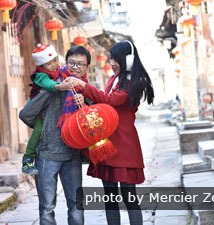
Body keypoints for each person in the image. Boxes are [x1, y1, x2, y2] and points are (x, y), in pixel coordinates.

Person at [63, 40, 154, 225]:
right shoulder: (114, 79)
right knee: (110, 199)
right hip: (107, 143)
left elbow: (110, 100)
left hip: (125, 146)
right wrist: (87, 102)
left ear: (127, 60)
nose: (111, 63)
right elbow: (104, 107)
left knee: (130, 198)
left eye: (116, 59)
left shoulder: (133, 83)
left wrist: (83, 86)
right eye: (111, 59)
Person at [19, 45, 91, 225]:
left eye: (80, 64)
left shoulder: (83, 87)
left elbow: (93, 118)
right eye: (72, 63)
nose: (75, 68)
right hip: (46, 155)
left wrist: (84, 103)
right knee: (47, 207)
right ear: (65, 63)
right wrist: (54, 90)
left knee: (76, 204)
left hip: (72, 154)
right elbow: (26, 113)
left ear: (86, 67)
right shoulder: (47, 83)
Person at [22, 43, 68, 175]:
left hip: (50, 110)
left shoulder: (60, 71)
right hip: (38, 109)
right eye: (49, 63)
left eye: (55, 60)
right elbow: (48, 84)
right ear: (41, 66)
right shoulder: (39, 75)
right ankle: (28, 158)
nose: (54, 64)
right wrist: (59, 86)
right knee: (38, 130)